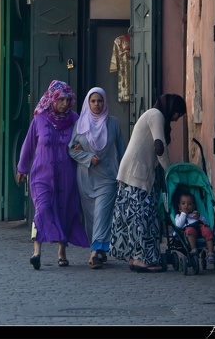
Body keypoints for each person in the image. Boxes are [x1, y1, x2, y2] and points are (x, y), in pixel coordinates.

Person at [16, 80, 89, 270]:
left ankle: (62, 252)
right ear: (52, 99)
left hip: (66, 176)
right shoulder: (39, 119)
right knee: (43, 208)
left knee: (63, 210)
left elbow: (84, 141)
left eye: (67, 99)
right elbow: (28, 145)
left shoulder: (74, 119)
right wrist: (22, 168)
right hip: (41, 175)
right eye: (61, 99)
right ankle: (36, 251)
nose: (64, 103)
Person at [110, 93, 187, 272]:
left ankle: (134, 257)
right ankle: (142, 260)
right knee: (141, 219)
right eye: (177, 114)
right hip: (137, 174)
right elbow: (159, 147)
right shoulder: (156, 115)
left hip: (132, 173)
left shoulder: (152, 115)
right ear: (172, 109)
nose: (176, 119)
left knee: (132, 218)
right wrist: (170, 171)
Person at [69, 87, 126, 269]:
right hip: (86, 178)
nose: (96, 105)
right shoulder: (80, 125)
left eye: (100, 101)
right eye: (93, 101)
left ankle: (94, 253)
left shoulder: (113, 124)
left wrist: (124, 175)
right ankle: (101, 249)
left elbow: (122, 150)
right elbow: (72, 149)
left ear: (105, 102)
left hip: (108, 177)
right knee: (92, 217)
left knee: (102, 214)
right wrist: (87, 157)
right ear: (88, 102)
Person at [175, 192, 215, 264]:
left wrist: (200, 217)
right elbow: (179, 225)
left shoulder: (196, 213)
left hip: (200, 227)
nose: (186, 206)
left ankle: (210, 253)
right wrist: (183, 214)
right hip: (190, 230)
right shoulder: (179, 216)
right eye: (183, 204)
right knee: (189, 231)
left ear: (194, 206)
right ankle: (194, 249)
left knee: (208, 231)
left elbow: (207, 223)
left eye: (189, 204)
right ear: (179, 206)